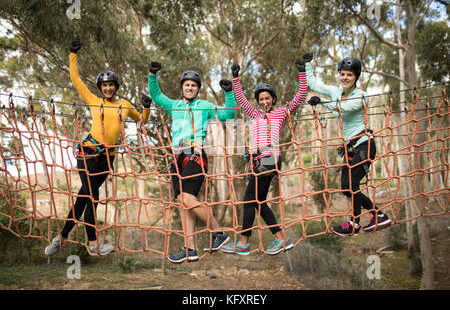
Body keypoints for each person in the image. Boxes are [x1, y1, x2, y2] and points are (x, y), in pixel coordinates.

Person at [44, 40, 151, 256]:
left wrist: (147, 108)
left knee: (84, 198)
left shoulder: (124, 105)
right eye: (104, 85)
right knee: (93, 198)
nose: (108, 88)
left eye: (111, 85)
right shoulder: (93, 100)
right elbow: (74, 78)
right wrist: (72, 53)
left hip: (107, 159)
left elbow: (141, 120)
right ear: (100, 88)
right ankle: (93, 244)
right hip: (88, 154)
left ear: (116, 87)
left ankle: (60, 238)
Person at [147, 61, 236, 263]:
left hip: (195, 153)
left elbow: (228, 114)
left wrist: (229, 93)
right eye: (186, 85)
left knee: (187, 199)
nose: (190, 88)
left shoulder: (204, 106)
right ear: (182, 87)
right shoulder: (174, 106)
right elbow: (157, 97)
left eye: (193, 85)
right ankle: (190, 248)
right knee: (183, 203)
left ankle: (218, 232)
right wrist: (152, 75)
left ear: (197, 89)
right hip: (176, 158)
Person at [221, 60, 307, 255]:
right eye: (261, 99)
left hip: (270, 157)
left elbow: (301, 95)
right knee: (259, 203)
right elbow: (242, 99)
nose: (264, 102)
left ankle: (243, 241)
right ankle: (280, 239)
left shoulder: (281, 113)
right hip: (258, 161)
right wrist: (236, 78)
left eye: (267, 98)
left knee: (249, 199)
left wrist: (302, 71)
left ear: (273, 99)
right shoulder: (254, 114)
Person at [303, 52, 391, 236]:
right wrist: (307, 65)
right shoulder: (335, 92)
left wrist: (322, 102)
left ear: (356, 77)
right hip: (350, 148)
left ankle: (355, 224)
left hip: (364, 144)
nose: (345, 77)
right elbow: (314, 84)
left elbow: (344, 107)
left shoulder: (363, 96)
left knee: (351, 184)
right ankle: (378, 214)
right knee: (346, 187)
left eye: (349, 74)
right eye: (342, 73)